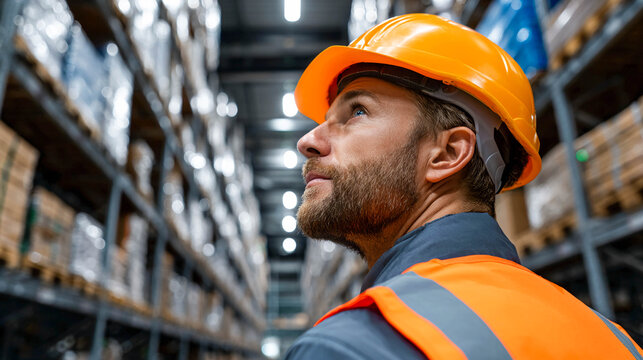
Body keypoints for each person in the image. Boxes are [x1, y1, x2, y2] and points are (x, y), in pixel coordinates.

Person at [284, 14, 643, 359]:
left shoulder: (353, 346)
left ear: (447, 153)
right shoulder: (614, 339)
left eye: (357, 111)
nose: (308, 140)